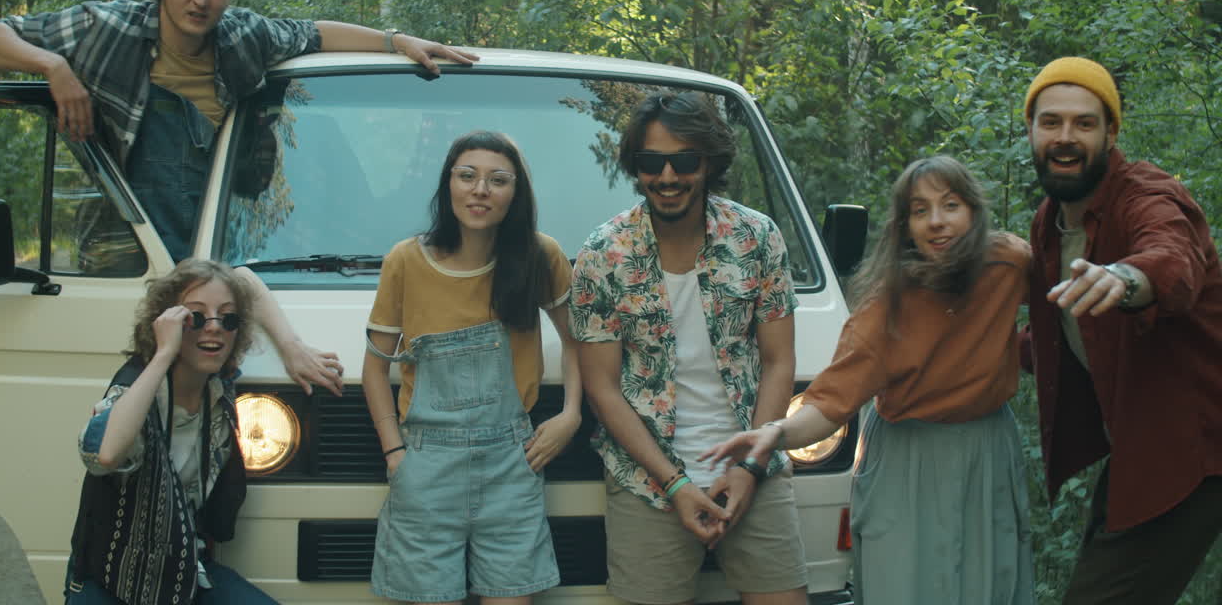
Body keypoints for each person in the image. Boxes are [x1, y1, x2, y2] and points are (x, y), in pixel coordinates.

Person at [0, 0, 465, 396]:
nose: (201, 0)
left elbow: (314, 34)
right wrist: (53, 66)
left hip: (220, 232)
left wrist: (395, 41)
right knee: (136, 384)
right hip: (130, 249)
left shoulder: (244, 37)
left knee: (210, 361)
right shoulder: (105, 27)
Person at [700, 156, 1036, 605]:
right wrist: (774, 433)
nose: (937, 222)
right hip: (908, 462)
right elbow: (828, 404)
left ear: (974, 211)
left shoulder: (1009, 263)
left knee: (987, 584)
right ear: (905, 226)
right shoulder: (885, 311)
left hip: (986, 451)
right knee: (908, 587)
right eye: (920, 210)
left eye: (951, 205)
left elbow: (1065, 306)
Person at [570, 92, 808, 605]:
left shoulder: (757, 238)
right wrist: (676, 485)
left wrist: (748, 469)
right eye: (652, 162)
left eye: (685, 160)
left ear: (709, 162)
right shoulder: (603, 253)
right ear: (637, 166)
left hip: (754, 470)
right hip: (647, 480)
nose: (668, 176)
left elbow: (778, 361)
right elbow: (603, 389)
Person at [1021, 56, 1222, 605]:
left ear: (1111, 133)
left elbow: (1173, 260)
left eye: (1085, 123)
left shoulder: (1146, 196)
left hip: (1199, 446)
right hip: (1142, 444)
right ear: (1031, 131)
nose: (1066, 138)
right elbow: (1063, 338)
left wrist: (1127, 277)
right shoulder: (1049, 223)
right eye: (1051, 122)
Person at [362, 131, 580, 604]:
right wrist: (394, 453)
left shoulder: (541, 256)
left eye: (498, 180)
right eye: (468, 176)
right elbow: (375, 371)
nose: (481, 190)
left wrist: (570, 414)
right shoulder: (405, 261)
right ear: (449, 185)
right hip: (425, 466)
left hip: (512, 462)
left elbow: (578, 340)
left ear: (515, 194)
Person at [66, 259, 275, 604]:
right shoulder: (136, 389)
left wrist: (294, 349)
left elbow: (247, 279)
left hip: (184, 574)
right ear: (168, 323)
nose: (214, 327)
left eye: (228, 318)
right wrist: (163, 353)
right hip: (111, 580)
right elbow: (105, 455)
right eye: (195, 316)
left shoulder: (219, 401)